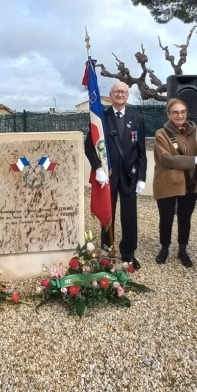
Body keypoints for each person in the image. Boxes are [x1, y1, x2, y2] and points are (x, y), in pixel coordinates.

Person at [84, 81, 147, 268]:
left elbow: (141, 151)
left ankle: (128, 253)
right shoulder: (100, 117)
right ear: (110, 95)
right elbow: (89, 147)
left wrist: (142, 178)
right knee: (107, 214)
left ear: (127, 95)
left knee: (129, 216)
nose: (120, 94)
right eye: (116, 92)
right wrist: (98, 169)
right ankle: (107, 252)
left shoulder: (137, 118)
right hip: (108, 177)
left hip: (129, 176)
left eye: (123, 92)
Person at [152, 98, 197, 267]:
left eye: (183, 112)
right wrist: (195, 160)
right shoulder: (161, 133)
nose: (180, 115)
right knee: (166, 217)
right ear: (169, 114)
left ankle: (182, 250)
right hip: (167, 182)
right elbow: (167, 158)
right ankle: (164, 248)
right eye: (175, 112)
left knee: (185, 218)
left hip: (190, 183)